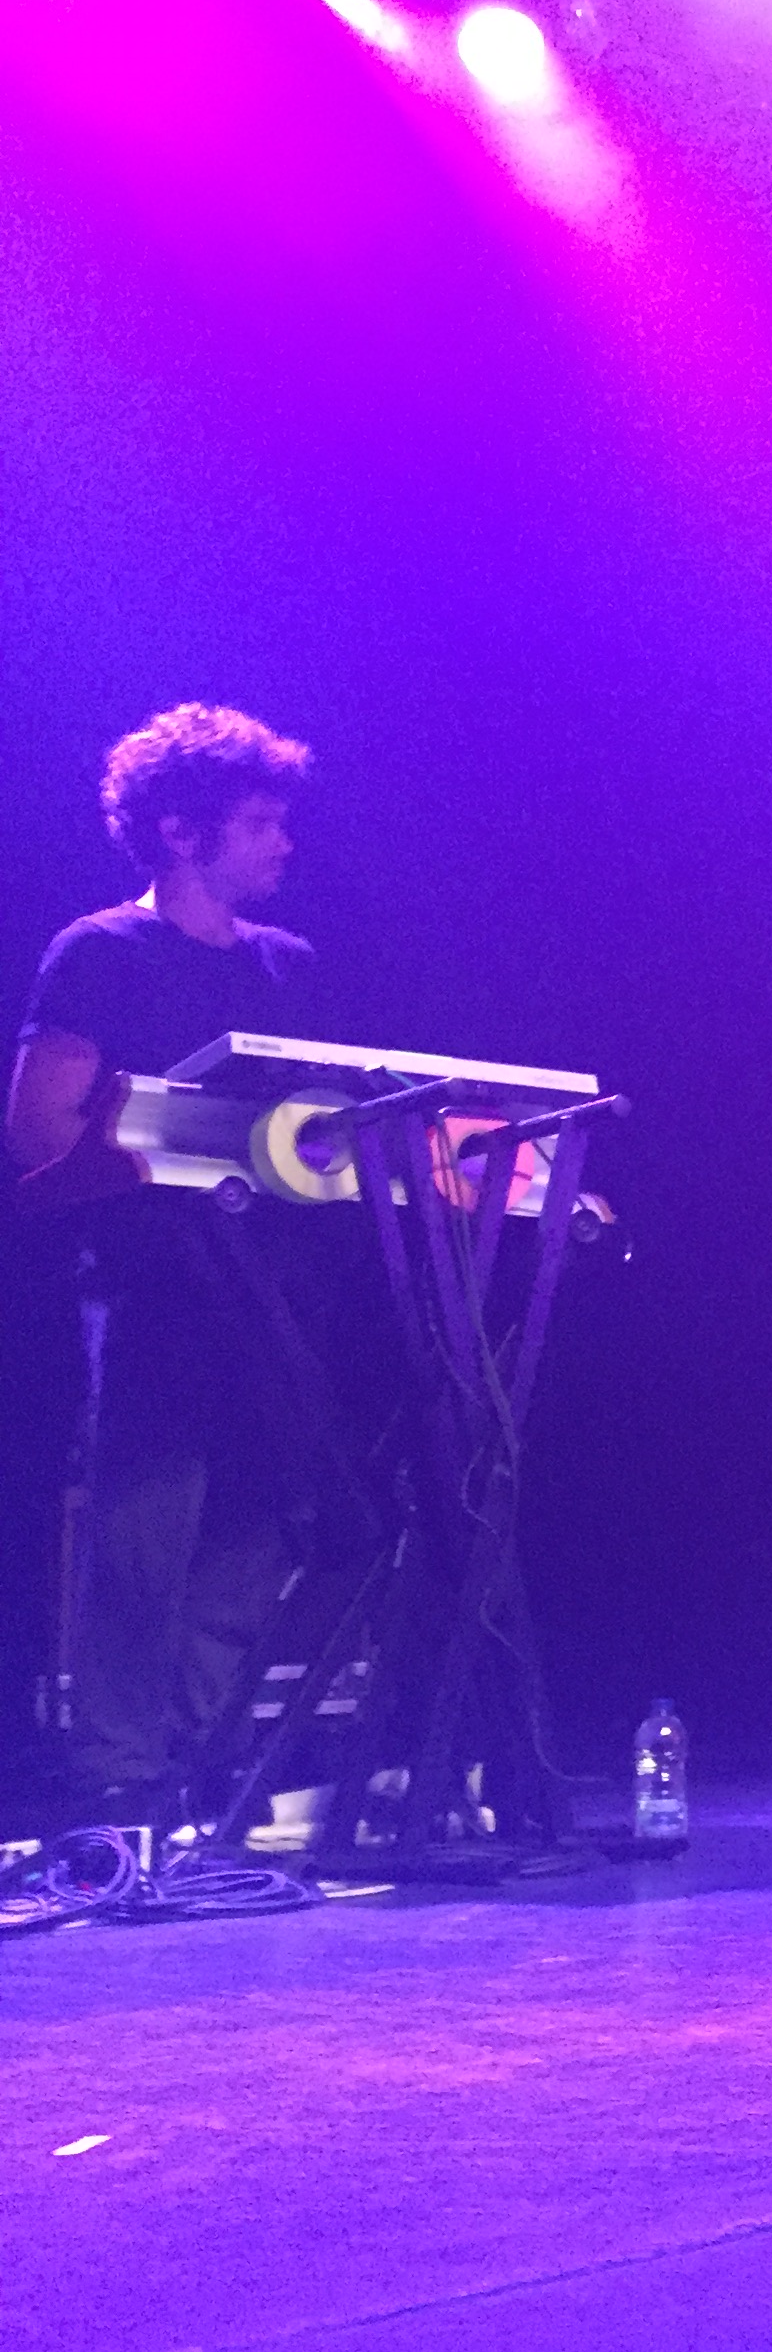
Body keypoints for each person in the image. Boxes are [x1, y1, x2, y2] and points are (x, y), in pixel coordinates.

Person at [6, 704, 331, 1824]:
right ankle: (120, 1768)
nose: (283, 842)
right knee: (144, 1531)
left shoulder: (286, 965)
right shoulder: (100, 952)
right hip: (154, 1288)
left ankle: (200, 1752)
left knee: (258, 1524)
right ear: (183, 832)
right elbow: (38, 1135)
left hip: (274, 1290)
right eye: (260, 822)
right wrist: (131, 1155)